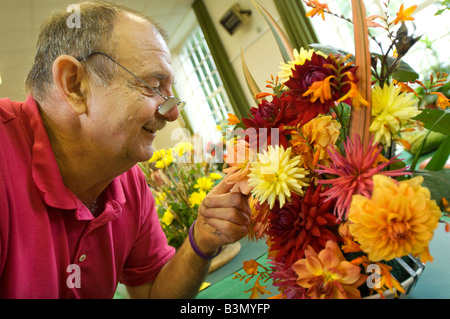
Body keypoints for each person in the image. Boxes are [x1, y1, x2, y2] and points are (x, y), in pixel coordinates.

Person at [0, 2, 250, 298]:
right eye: (153, 86)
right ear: (75, 84)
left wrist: (200, 240)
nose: (172, 114)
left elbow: (152, 292)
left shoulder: (128, 182)